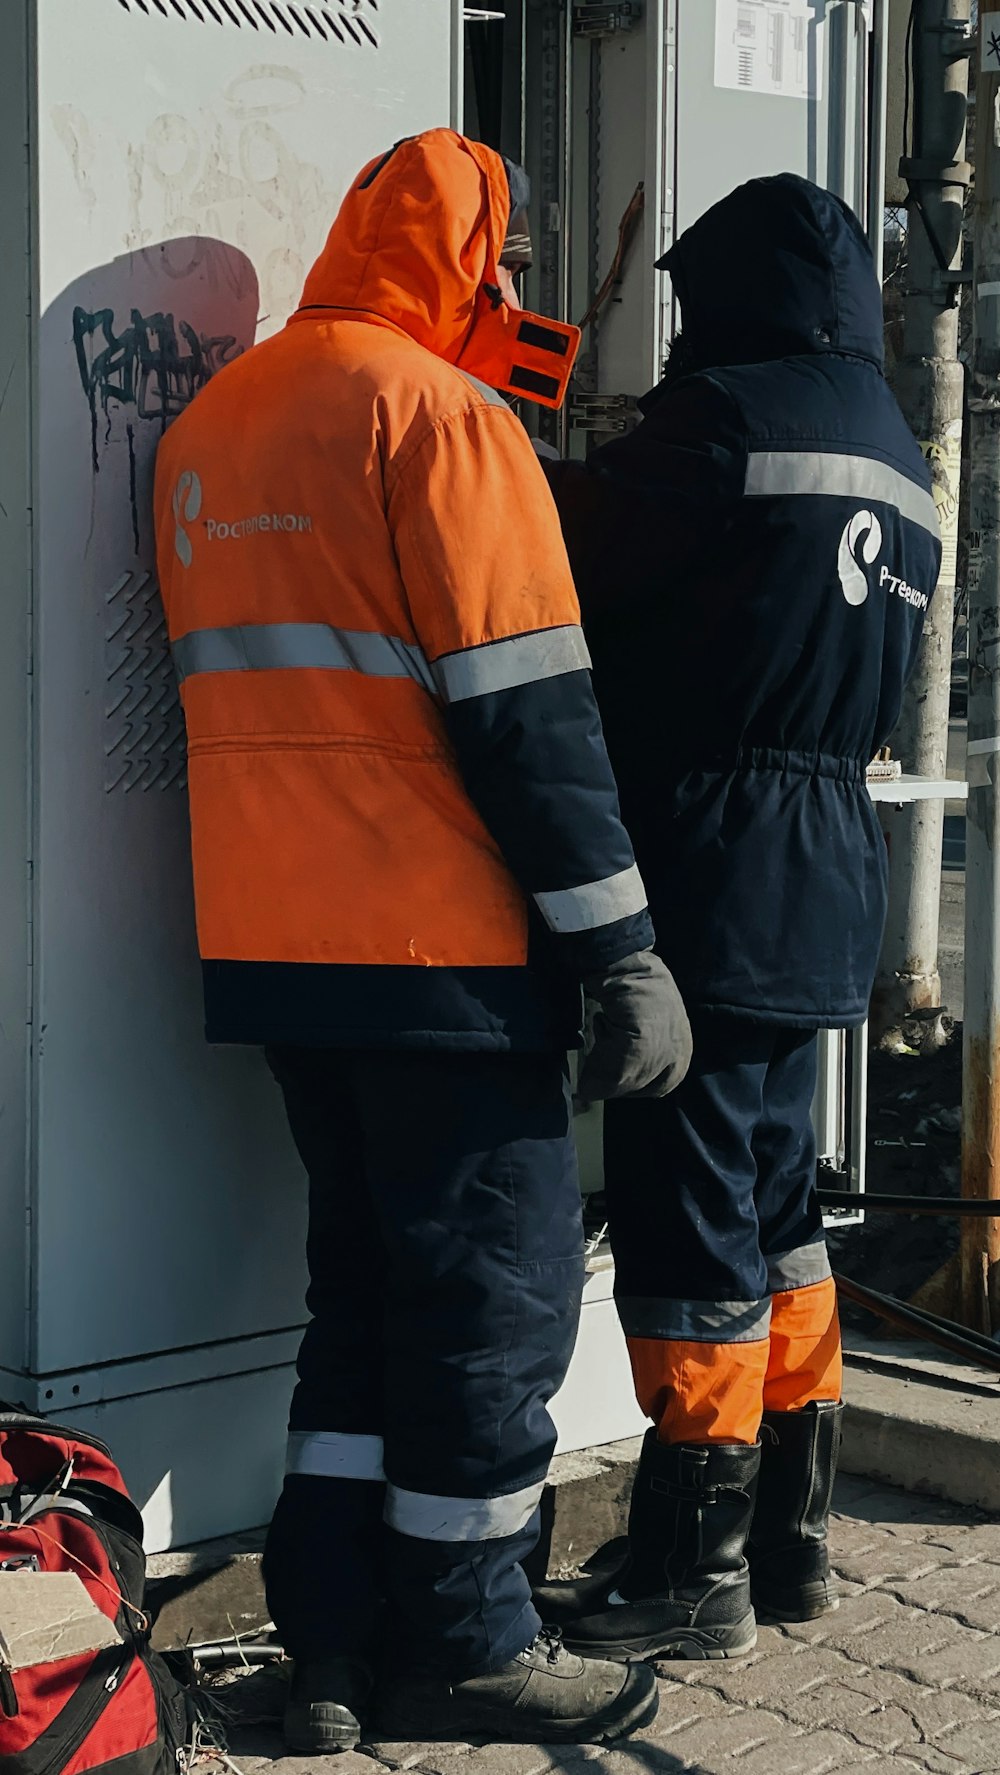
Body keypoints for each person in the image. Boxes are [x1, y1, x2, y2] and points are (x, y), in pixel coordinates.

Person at [153, 128, 691, 1748]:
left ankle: (326, 1648)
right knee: (493, 1312)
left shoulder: (213, 421)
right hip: (438, 949)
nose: (518, 288)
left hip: (273, 951)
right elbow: (531, 719)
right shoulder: (442, 418)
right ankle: (465, 1641)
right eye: (505, 258)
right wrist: (622, 948)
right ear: (452, 258)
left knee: (367, 1296)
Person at [534, 174, 941, 1661]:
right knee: (780, 1211)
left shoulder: (723, 425)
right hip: (827, 865)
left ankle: (688, 1570)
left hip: (707, 865)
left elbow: (558, 555)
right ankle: (791, 1539)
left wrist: (518, 426)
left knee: (691, 1212)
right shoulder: (899, 449)